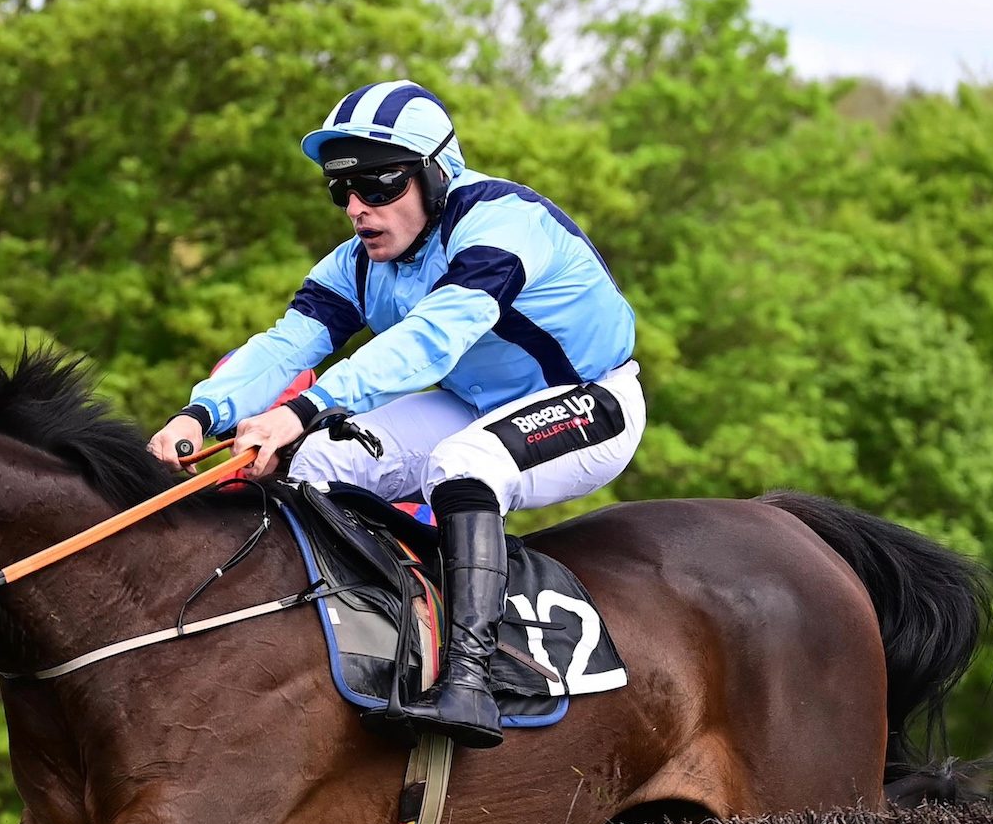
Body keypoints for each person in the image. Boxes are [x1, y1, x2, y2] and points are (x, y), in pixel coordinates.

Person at [147, 80, 644, 748]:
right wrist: (197, 414)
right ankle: (369, 640)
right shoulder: (355, 264)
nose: (356, 208)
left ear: (437, 175)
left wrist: (305, 407)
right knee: (320, 463)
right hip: (471, 404)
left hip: (592, 398)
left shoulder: (503, 224)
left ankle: (470, 680)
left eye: (378, 186)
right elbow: (284, 345)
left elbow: (431, 339)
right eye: (340, 190)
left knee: (461, 463)